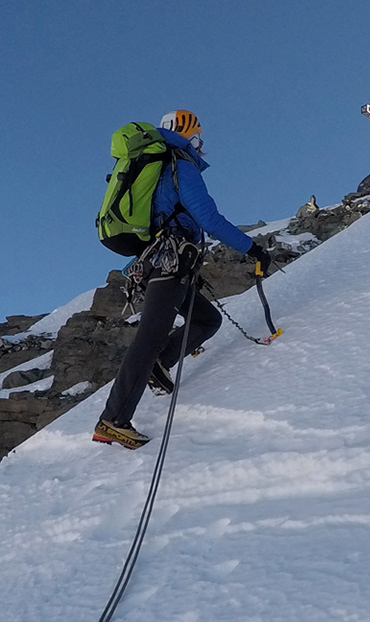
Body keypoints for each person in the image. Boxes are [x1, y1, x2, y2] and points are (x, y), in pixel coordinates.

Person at [94, 110, 269, 449]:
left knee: (206, 319)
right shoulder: (179, 163)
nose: (201, 146)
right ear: (187, 135)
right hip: (169, 260)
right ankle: (113, 419)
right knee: (151, 335)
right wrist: (253, 248)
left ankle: (160, 364)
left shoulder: (154, 163)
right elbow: (209, 219)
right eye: (198, 138)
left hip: (156, 260)